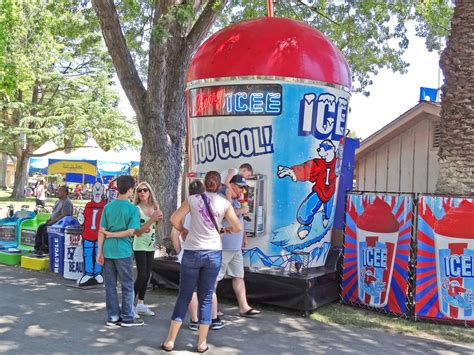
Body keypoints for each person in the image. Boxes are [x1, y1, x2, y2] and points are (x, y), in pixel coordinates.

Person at [162, 171, 241, 353]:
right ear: (220, 185)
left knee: (185, 295)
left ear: (205, 184)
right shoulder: (224, 203)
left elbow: (174, 219)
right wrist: (225, 230)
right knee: (206, 297)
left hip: (191, 253)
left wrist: (182, 230)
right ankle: (202, 343)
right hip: (213, 254)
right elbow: (237, 226)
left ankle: (170, 341)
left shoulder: (193, 200)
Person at [170, 180, 221, 331]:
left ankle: (194, 320)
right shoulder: (212, 208)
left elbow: (174, 233)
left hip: (190, 252)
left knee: (190, 290)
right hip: (210, 252)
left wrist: (180, 252)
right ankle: (213, 319)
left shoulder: (186, 209)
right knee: (208, 290)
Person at [96, 175, 143, 327]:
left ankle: (113, 316)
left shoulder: (108, 207)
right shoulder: (132, 209)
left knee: (110, 285)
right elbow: (131, 232)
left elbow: (101, 231)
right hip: (123, 252)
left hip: (108, 250)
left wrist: (99, 252)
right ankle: (128, 317)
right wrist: (114, 234)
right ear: (130, 189)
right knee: (127, 285)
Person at [217, 174, 261, 317]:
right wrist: (242, 210)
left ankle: (244, 307)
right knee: (214, 279)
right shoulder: (221, 198)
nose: (242, 190)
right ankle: (211, 308)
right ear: (232, 185)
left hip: (235, 247)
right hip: (224, 246)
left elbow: (239, 221)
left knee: (238, 276)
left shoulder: (235, 200)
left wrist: (244, 235)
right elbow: (225, 215)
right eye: (240, 186)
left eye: (244, 187)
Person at [132, 181, 163, 316]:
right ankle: (128, 303)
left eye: (145, 190)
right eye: (139, 191)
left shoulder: (155, 207)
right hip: (139, 244)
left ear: (149, 192)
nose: (142, 192)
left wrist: (159, 220)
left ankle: (140, 303)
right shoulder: (136, 209)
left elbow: (155, 228)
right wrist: (151, 220)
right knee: (142, 274)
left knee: (147, 275)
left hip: (150, 244)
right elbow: (137, 232)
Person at [33, 185, 74, 255]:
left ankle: (46, 249)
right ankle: (38, 247)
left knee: (46, 229)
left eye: (60, 191)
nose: (58, 192)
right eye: (58, 190)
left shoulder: (67, 202)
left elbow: (64, 216)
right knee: (40, 227)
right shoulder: (58, 201)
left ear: (65, 193)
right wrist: (49, 220)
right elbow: (55, 213)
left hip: (60, 224)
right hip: (54, 222)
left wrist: (52, 222)